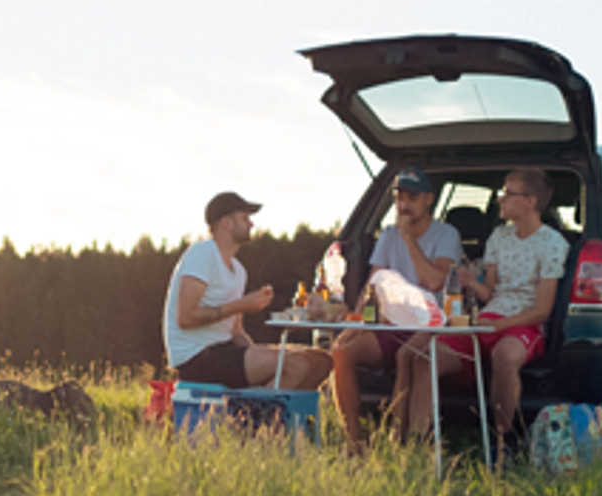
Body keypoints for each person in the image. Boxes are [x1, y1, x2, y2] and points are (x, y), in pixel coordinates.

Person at [394, 167, 569, 447]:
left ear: (530, 201)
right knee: (426, 356)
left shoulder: (553, 243)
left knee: (506, 356)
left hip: (523, 324)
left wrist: (499, 325)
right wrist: (470, 283)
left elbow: (543, 310)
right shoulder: (499, 237)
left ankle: (503, 443)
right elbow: (489, 291)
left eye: (508, 193)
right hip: (486, 319)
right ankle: (416, 445)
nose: (500, 199)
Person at [329, 168, 463, 452]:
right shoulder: (389, 235)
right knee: (341, 351)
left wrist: (408, 239)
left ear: (429, 199)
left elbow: (434, 280)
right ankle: (354, 441)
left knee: (409, 355)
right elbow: (373, 284)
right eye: (398, 197)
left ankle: (401, 442)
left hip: (430, 324)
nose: (403, 205)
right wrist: (356, 320)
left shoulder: (446, 234)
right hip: (392, 323)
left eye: (412, 197)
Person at [163, 192, 332, 389]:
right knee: (298, 365)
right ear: (227, 223)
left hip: (227, 352)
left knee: (322, 361)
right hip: (198, 358)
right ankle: (262, 417)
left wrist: (259, 354)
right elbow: (185, 318)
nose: (251, 224)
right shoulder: (203, 253)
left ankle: (278, 412)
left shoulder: (238, 271)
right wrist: (241, 305)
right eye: (245, 218)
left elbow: (235, 332)